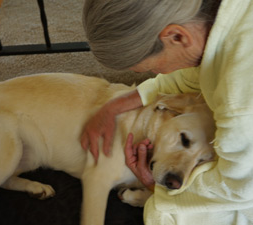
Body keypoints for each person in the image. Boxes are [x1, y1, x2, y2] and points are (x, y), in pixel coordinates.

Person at [81, 0, 253, 224]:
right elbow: (195, 75)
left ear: (177, 36)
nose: (158, 73)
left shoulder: (238, 106)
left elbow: (240, 189)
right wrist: (114, 106)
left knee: (163, 215)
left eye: (153, 68)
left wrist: (155, 187)